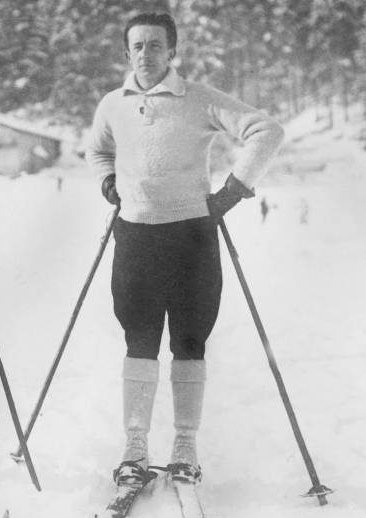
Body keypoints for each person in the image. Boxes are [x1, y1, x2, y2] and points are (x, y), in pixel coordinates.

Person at [86, 12, 284, 487]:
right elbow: (98, 150)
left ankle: (184, 448)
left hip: (192, 237)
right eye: (138, 46)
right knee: (139, 341)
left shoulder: (197, 99)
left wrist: (234, 190)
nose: (146, 54)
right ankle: (134, 448)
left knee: (190, 342)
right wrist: (108, 181)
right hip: (135, 237)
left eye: (156, 45)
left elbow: (266, 130)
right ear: (126, 52)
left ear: (172, 51)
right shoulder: (113, 104)